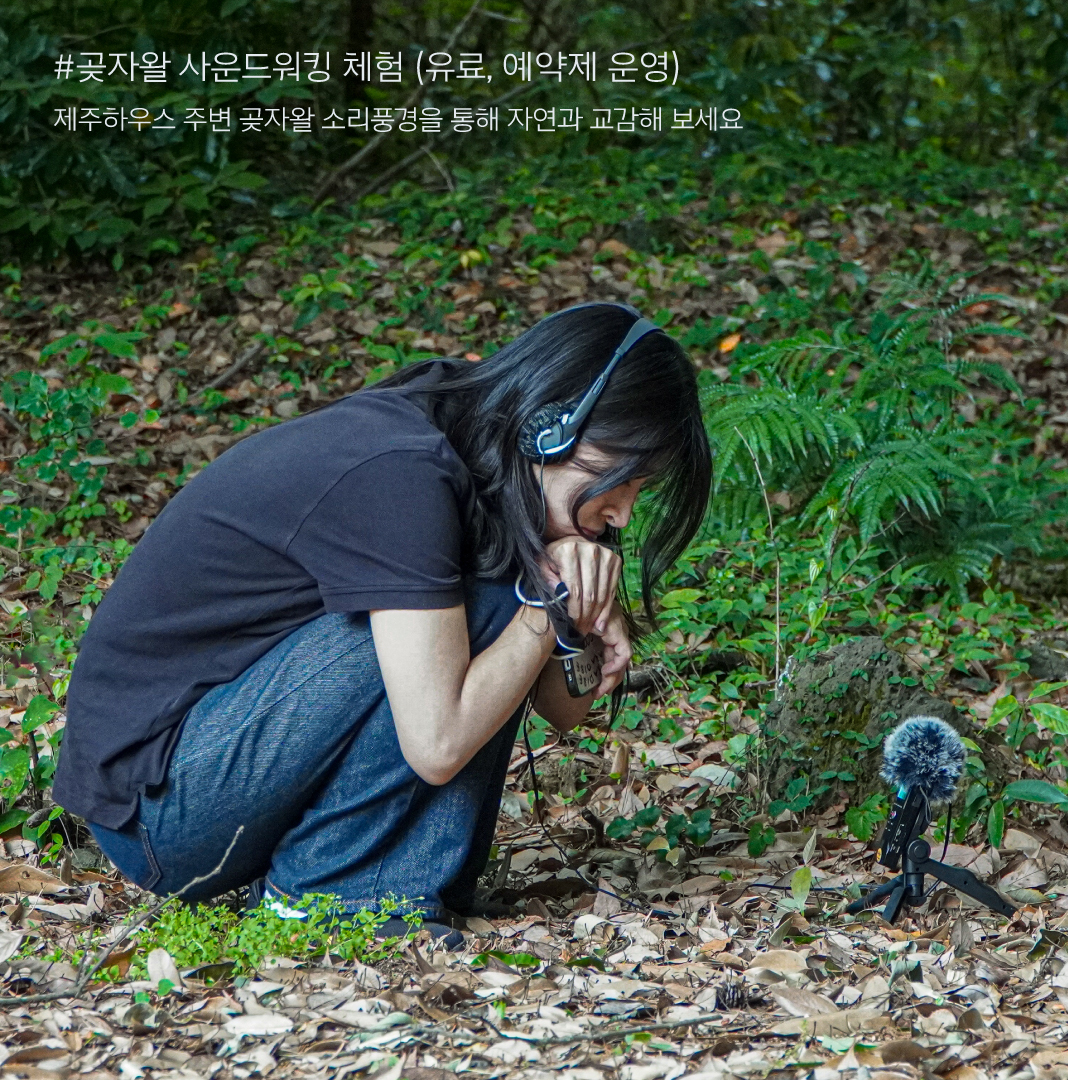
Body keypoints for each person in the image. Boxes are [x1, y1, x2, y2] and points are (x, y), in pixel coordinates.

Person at [53, 300, 712, 944]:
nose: (623, 511)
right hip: (163, 806)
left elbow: (563, 710)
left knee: (498, 598)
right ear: (549, 428)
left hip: (219, 765)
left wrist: (581, 609)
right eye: (611, 477)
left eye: (639, 488)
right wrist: (546, 604)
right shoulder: (402, 471)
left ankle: (365, 883)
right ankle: (331, 899)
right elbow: (438, 741)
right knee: (489, 604)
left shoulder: (499, 456)